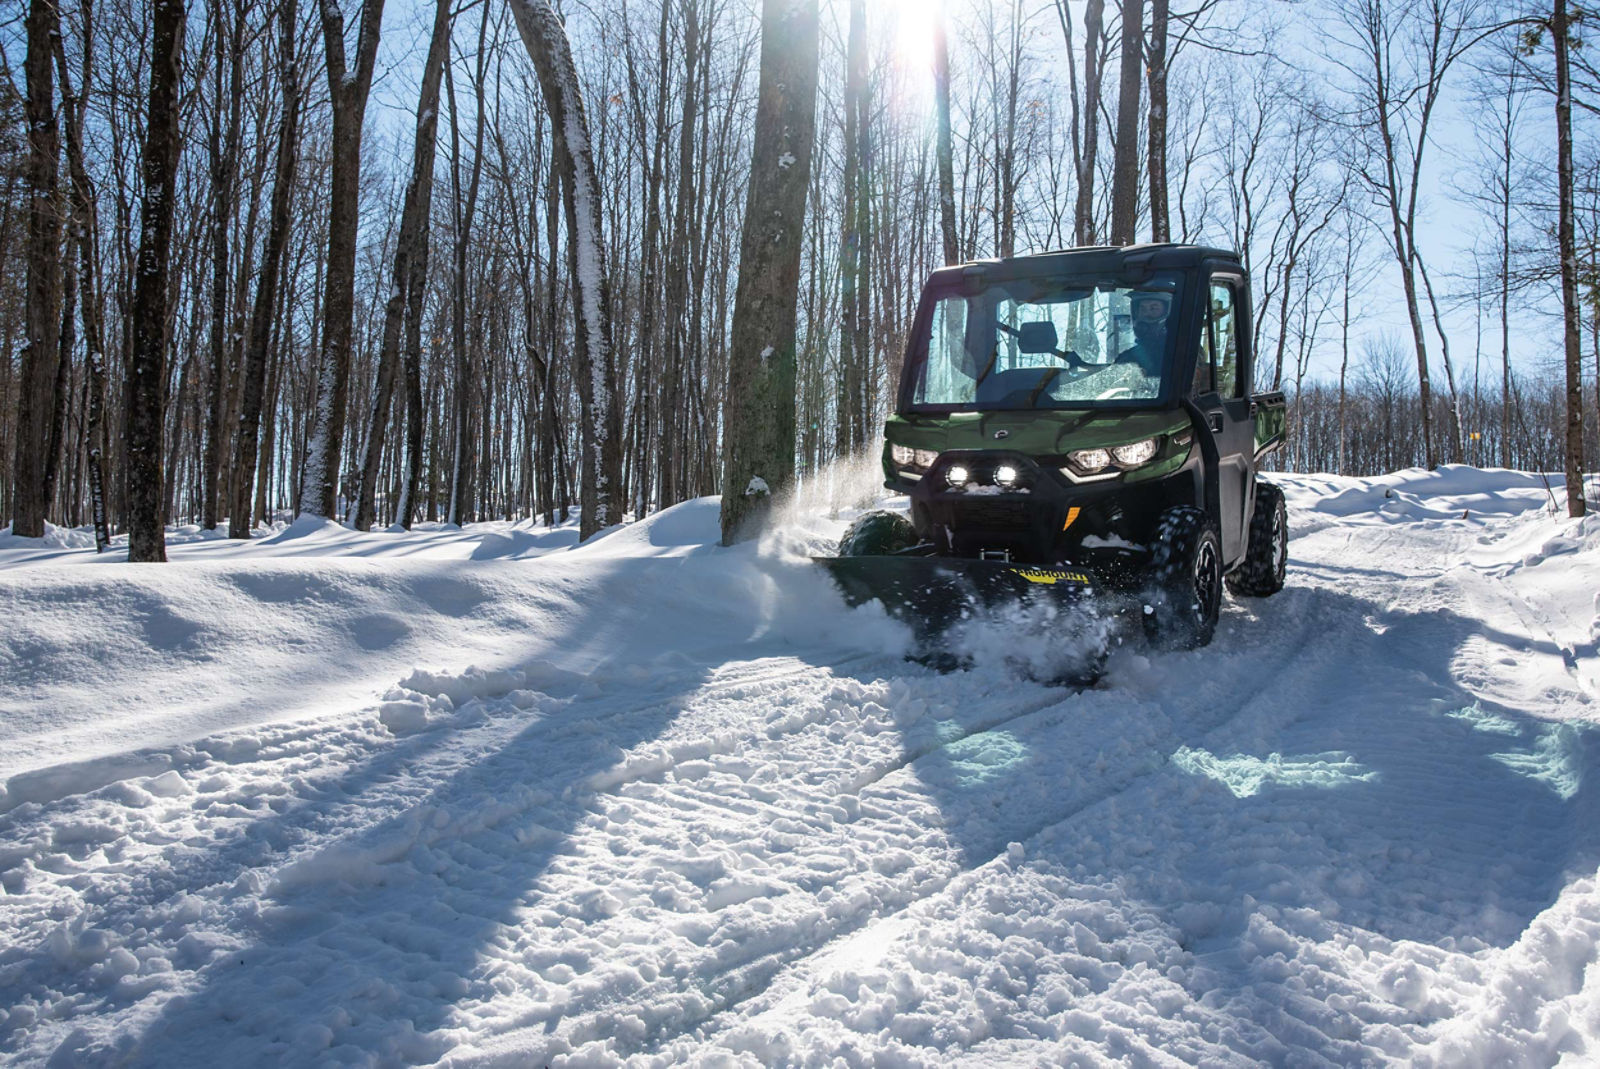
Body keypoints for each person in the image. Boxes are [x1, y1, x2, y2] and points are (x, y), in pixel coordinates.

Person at [1117, 290, 1173, 377]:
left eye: (1154, 308)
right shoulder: (1127, 358)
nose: (1146, 314)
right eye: (1142, 308)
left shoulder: (1182, 352)